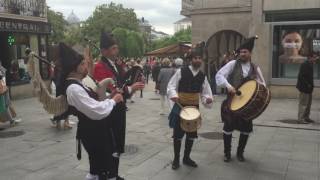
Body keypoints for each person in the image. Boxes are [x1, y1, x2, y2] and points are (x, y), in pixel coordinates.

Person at [56, 43, 123, 180]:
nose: (86, 66)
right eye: (82, 64)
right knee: (103, 168)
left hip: (96, 130)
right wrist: (113, 101)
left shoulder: (79, 84)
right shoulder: (73, 88)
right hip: (92, 133)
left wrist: (109, 97)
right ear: (75, 68)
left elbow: (94, 103)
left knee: (97, 168)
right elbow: (95, 110)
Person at [93, 32, 144, 180]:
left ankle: (113, 174)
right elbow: (110, 91)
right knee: (110, 144)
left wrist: (134, 82)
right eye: (114, 48)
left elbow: (122, 84)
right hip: (108, 112)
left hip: (118, 111)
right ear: (104, 51)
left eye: (116, 48)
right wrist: (131, 88)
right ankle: (107, 175)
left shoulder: (116, 65)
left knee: (118, 143)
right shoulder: (99, 67)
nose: (117, 51)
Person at [216, 36, 266, 163]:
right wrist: (228, 86)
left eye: (245, 52)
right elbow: (219, 75)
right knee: (228, 128)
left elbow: (263, 85)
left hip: (247, 105)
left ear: (250, 53)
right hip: (232, 102)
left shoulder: (255, 68)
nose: (242, 54)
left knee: (246, 130)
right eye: (241, 52)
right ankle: (227, 153)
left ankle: (240, 153)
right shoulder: (233, 64)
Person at [167, 42, 213, 170]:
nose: (197, 60)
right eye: (195, 58)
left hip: (194, 108)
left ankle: (186, 158)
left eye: (199, 58)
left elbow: (205, 93)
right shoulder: (181, 72)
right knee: (177, 134)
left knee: (191, 134)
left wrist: (207, 100)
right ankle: (176, 159)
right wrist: (174, 94)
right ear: (190, 59)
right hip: (180, 106)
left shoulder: (203, 76)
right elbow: (171, 85)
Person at [296, 53, 318, 124]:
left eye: (316, 57)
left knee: (308, 104)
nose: (316, 59)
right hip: (304, 88)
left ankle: (306, 117)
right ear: (310, 57)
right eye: (314, 57)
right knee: (303, 104)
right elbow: (301, 76)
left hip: (309, 88)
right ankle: (300, 119)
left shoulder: (311, 64)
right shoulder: (305, 64)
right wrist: (307, 84)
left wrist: (310, 86)